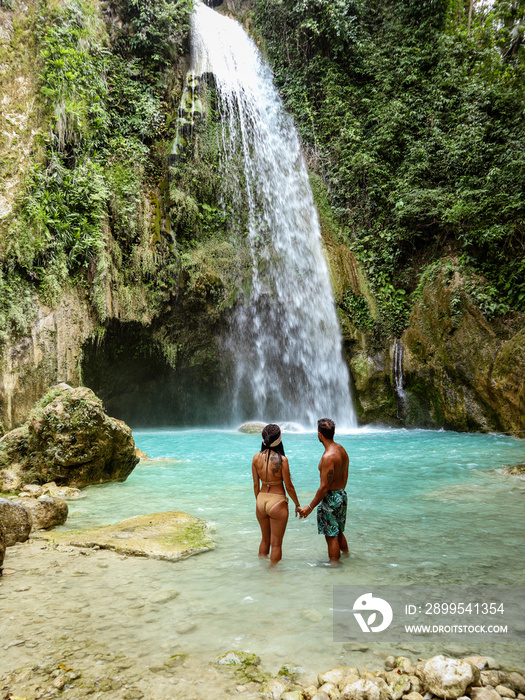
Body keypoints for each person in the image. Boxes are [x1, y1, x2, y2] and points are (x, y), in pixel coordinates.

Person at [299, 418, 349, 562]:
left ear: (320, 435)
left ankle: (334, 567)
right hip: (341, 494)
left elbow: (324, 486)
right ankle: (347, 556)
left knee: (331, 536)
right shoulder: (341, 450)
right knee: (339, 532)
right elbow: (345, 474)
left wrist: (309, 507)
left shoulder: (328, 457)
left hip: (331, 498)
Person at [252, 423, 301, 566]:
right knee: (276, 544)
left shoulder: (255, 458)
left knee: (264, 540)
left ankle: (262, 572)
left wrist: (259, 501)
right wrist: (297, 505)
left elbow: (256, 485)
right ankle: (274, 578)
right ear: (279, 439)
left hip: (261, 501)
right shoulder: (282, 460)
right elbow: (289, 486)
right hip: (277, 501)